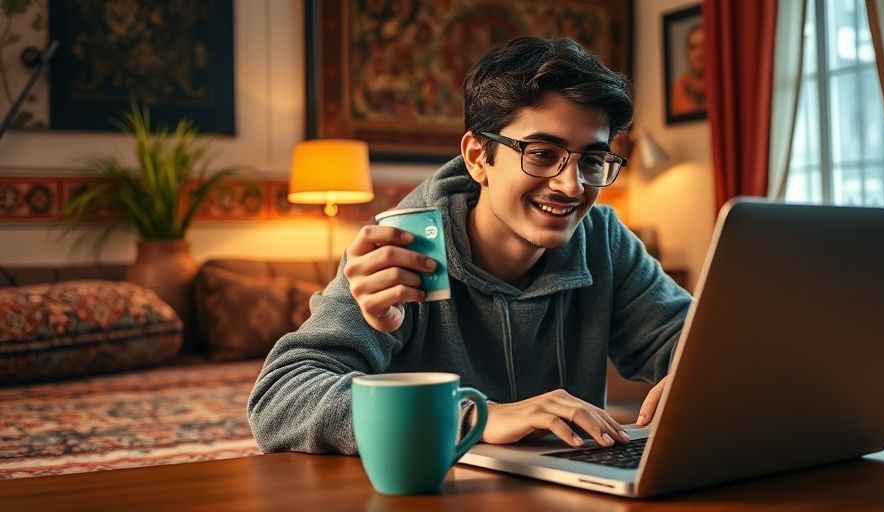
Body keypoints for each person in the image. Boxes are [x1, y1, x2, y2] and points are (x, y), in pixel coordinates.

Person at [247, 37, 692, 454]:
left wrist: (699, 374)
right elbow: (280, 399)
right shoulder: (405, 247)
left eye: (591, 160)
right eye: (541, 153)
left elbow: (693, 340)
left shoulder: (602, 238)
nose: (571, 185)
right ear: (478, 157)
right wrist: (475, 417)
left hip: (572, 485)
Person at [671, 22, 706, 115]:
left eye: (703, 46)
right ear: (687, 52)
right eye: (693, 47)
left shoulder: (722, 85)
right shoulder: (679, 87)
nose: (698, 54)